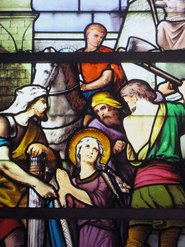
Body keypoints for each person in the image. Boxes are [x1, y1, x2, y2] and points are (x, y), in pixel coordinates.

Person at [120, 79, 185, 247]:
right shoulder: (172, 110)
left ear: (132, 96)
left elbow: (139, 151)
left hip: (142, 189)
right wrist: (184, 91)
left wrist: (160, 93)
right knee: (168, 244)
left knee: (133, 242)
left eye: (127, 101)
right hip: (171, 189)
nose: (128, 105)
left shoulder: (128, 121)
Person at [0, 85, 57, 246]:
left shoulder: (36, 130)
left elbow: (51, 169)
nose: (46, 106)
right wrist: (37, 184)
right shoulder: (3, 122)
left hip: (24, 199)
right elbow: (3, 163)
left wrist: (46, 151)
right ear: (30, 102)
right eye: (43, 101)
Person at [50, 128, 123, 247]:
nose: (92, 151)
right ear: (78, 150)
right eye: (87, 146)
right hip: (82, 235)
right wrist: (61, 191)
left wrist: (68, 187)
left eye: (96, 149)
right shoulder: (73, 182)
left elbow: (99, 201)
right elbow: (65, 211)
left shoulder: (104, 178)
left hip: (105, 233)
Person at [76, 23, 127, 125]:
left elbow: (106, 79)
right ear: (87, 35)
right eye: (96, 36)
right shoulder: (79, 54)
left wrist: (85, 87)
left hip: (105, 92)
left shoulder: (106, 52)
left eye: (102, 37)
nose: (99, 39)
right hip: (87, 94)